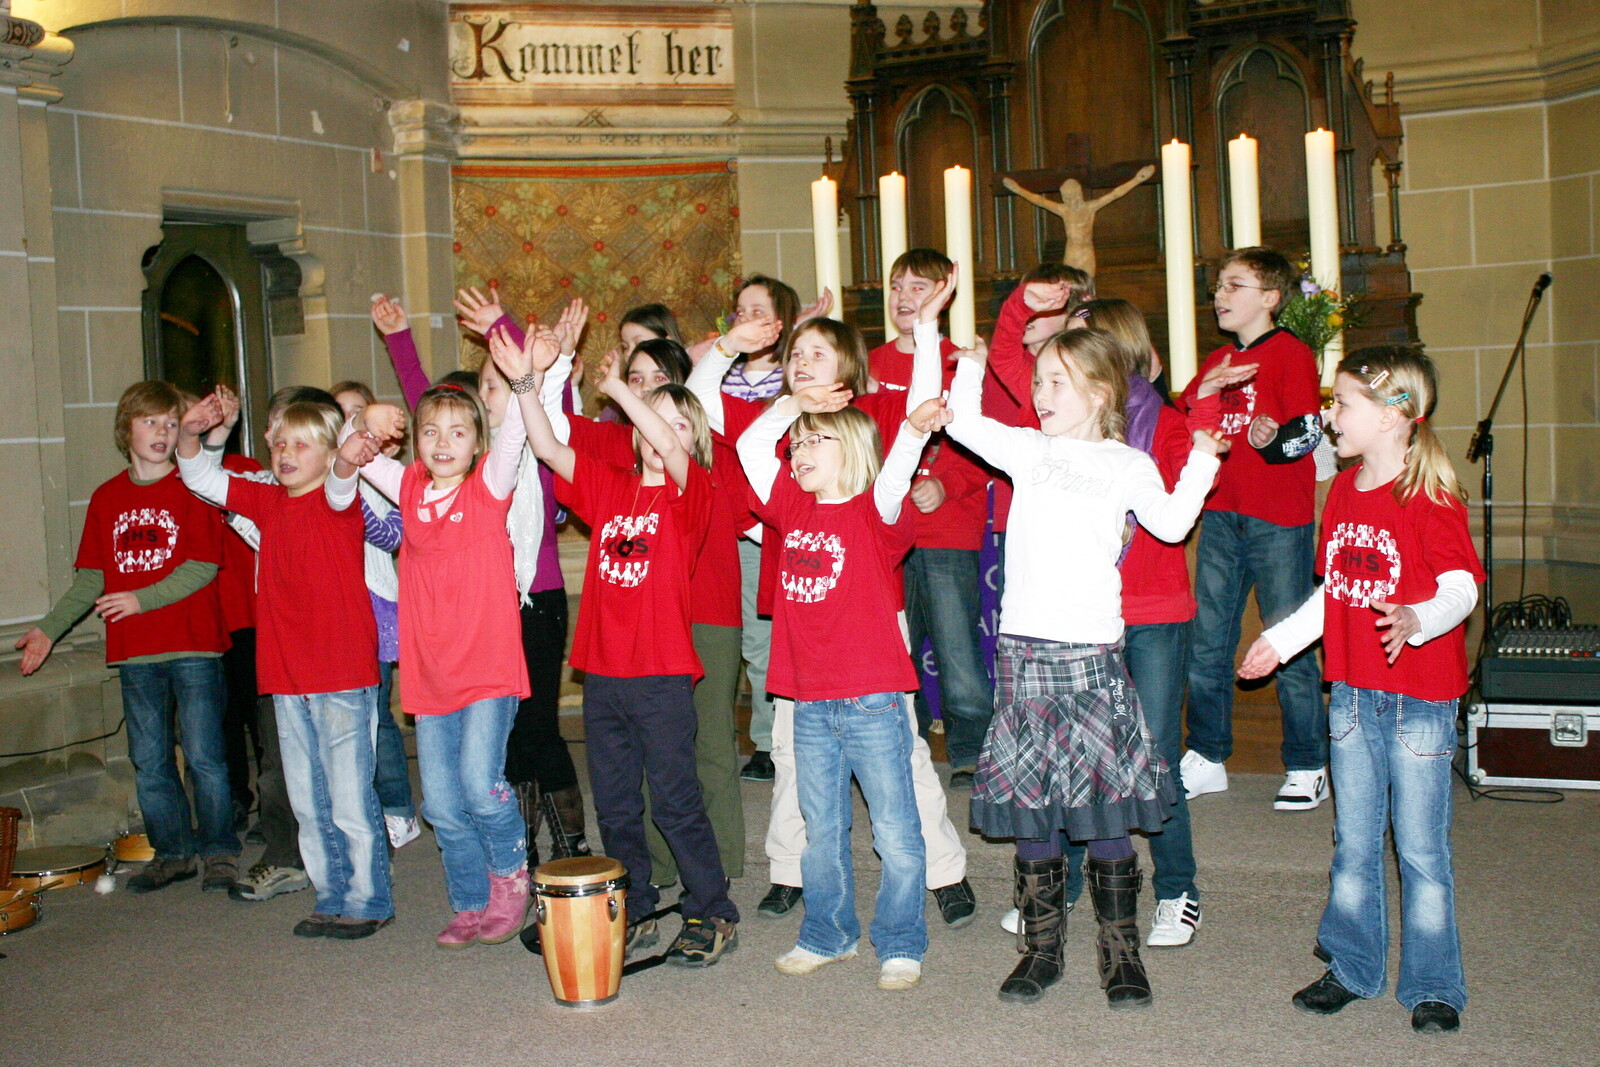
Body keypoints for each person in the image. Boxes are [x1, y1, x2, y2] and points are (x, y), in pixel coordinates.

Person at [946, 328, 1226, 1009]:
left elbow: (1169, 523)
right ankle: (1042, 949)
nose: (1040, 394)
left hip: (1092, 657)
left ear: (1100, 391)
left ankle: (1120, 952)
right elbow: (961, 421)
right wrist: (971, 365)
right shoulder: (1029, 449)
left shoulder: (1125, 464)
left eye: (1055, 382)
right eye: (1038, 380)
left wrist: (1204, 460)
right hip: (1024, 657)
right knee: (1035, 813)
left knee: (1104, 814)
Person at [687, 281, 976, 928]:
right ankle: (792, 869)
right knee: (793, 754)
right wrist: (787, 398)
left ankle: (943, 867)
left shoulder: (869, 419)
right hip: (801, 624)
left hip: (870, 621)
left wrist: (927, 329)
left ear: (848, 365)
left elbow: (920, 410)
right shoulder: (785, 445)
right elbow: (704, 404)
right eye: (795, 355)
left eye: (817, 352)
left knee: (900, 754)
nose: (801, 362)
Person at [1240, 346, 1480, 1036]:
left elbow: (1460, 586)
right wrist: (1280, 642)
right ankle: (1352, 964)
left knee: (1421, 848)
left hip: (1420, 702)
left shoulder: (1428, 494)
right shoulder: (1342, 490)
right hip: (1350, 694)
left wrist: (1418, 617)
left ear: (1394, 415)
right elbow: (1334, 591)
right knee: (1352, 841)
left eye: (1341, 403)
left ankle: (1434, 982)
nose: (1328, 415)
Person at [492, 326, 741, 968]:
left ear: (695, 442)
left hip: (660, 678)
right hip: (602, 677)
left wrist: (618, 391)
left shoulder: (694, 496)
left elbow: (663, 439)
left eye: (679, 426)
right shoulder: (610, 487)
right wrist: (528, 382)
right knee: (618, 805)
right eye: (652, 421)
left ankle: (711, 907)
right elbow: (547, 443)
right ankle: (634, 904)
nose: (663, 432)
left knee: (677, 800)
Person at [740, 394, 949, 991]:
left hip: (872, 701)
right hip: (807, 701)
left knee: (896, 831)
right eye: (797, 442)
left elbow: (897, 473)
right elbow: (756, 447)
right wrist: (791, 405)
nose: (798, 451)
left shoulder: (874, 510)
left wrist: (910, 431)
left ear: (853, 452)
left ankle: (902, 941)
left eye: (815, 441)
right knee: (821, 829)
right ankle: (827, 934)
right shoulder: (790, 505)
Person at [379, 292, 593, 860]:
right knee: (501, 740)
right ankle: (516, 844)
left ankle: (571, 844)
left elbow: (549, 402)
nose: (490, 393)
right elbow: (425, 404)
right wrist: (400, 338)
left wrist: (530, 354)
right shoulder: (471, 464)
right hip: (483, 610)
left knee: (538, 728)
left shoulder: (529, 450)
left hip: (534, 602)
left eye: (501, 384)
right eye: (487, 386)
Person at [176, 394, 392, 939]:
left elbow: (343, 475)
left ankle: (368, 899)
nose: (286, 453)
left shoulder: (339, 500)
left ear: (326, 451)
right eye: (279, 443)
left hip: (341, 677)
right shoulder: (268, 503)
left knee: (348, 798)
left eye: (301, 444)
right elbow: (202, 476)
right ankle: (332, 894)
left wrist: (352, 449)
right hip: (286, 678)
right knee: (307, 800)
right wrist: (189, 432)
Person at [16, 382, 239, 894]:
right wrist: (49, 631)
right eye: (149, 422)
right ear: (127, 430)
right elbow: (92, 579)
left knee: (205, 755)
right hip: (136, 650)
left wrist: (142, 598)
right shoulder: (108, 497)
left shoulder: (195, 484)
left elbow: (203, 565)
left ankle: (221, 849)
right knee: (150, 759)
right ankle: (174, 852)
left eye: (169, 423)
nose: (161, 433)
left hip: (193, 644)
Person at [344, 380, 534, 949]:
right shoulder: (407, 488)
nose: (443, 443)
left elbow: (518, 431)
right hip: (431, 675)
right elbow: (351, 446)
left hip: (487, 668)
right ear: (415, 442)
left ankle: (510, 876)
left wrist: (523, 378)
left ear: (478, 442)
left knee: (480, 786)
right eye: (430, 432)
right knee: (442, 804)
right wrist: (366, 418)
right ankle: (470, 902)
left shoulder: (487, 488)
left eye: (457, 432)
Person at [1178, 247, 1329, 811]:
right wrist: (1210, 387)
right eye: (1218, 285)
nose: (1220, 294)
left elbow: (1310, 431)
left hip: (1276, 519)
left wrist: (1273, 440)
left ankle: (1308, 761)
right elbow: (1189, 416)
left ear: (1269, 298)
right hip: (1220, 512)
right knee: (1208, 640)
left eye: (1234, 285)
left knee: (1286, 636)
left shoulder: (1289, 353)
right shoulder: (1219, 357)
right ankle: (1209, 754)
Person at [868, 249, 994, 788]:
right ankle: (905, 747)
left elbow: (987, 445)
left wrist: (947, 483)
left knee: (956, 648)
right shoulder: (867, 364)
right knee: (895, 647)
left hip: (946, 528)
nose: (904, 297)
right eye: (897, 286)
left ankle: (971, 750)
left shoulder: (960, 360)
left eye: (918, 287)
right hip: (885, 530)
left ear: (944, 293)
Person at [330, 379, 420, 850]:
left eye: (361, 414)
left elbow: (392, 536)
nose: (354, 424)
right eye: (343, 417)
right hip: (331, 609)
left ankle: (399, 810)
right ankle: (351, 812)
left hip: (375, 601)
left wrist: (348, 495)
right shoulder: (323, 471)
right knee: (340, 719)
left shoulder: (389, 476)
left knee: (377, 715)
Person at [723, 274, 801, 781]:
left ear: (779, 323)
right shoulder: (719, 373)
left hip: (759, 524)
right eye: (739, 311)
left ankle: (769, 741)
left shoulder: (794, 378)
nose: (744, 320)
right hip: (714, 523)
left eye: (757, 312)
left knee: (761, 639)